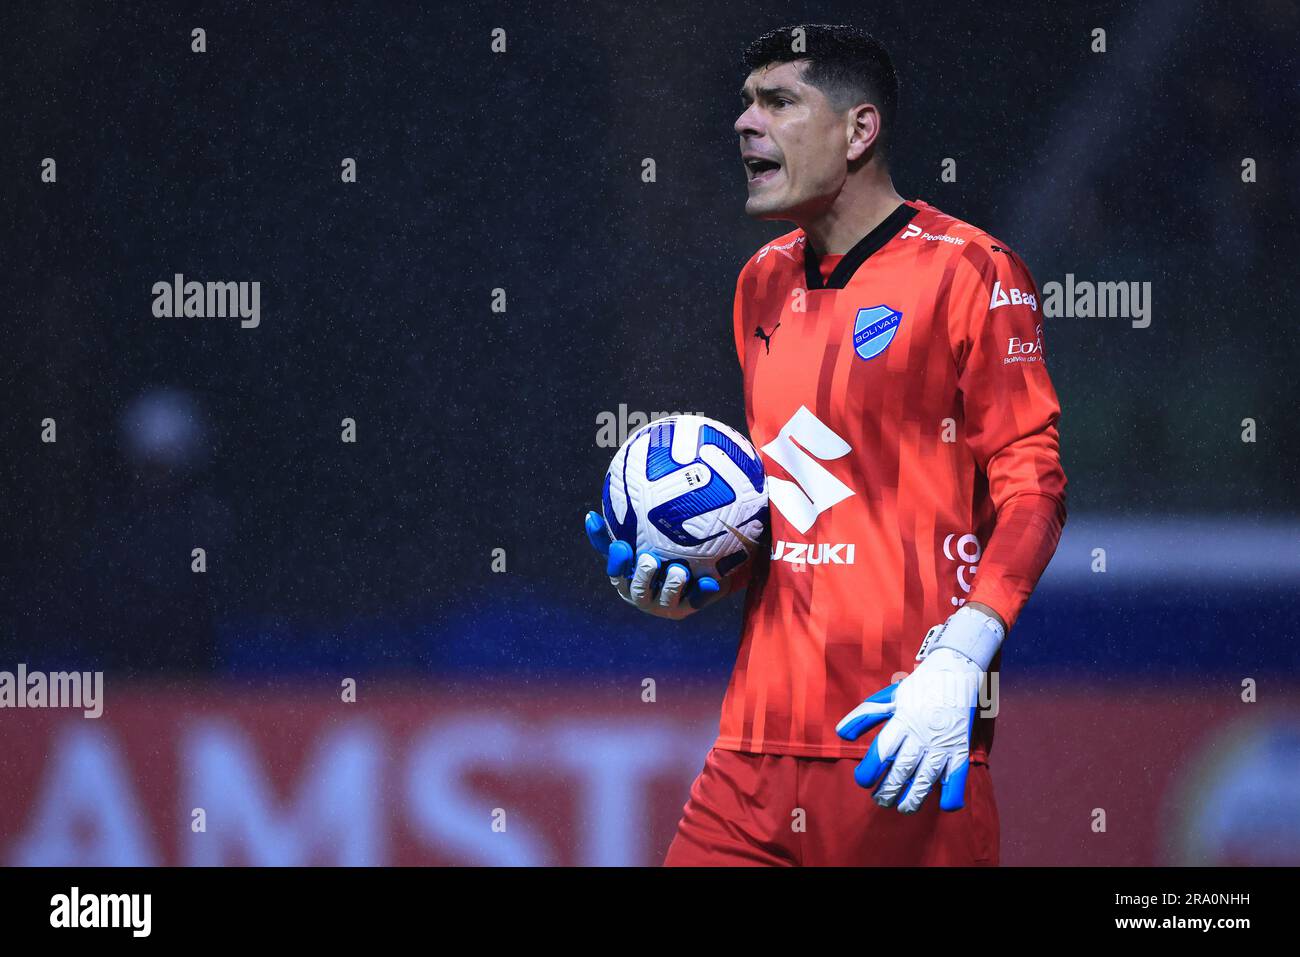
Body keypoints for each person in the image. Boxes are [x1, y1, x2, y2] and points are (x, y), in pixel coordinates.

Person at [586, 23, 1066, 866]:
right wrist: (696, 579)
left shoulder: (971, 272)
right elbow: (797, 508)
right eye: (744, 103)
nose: (744, 123)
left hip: (900, 744)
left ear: (859, 130)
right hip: (750, 758)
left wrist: (965, 652)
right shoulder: (760, 282)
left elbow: (1034, 489)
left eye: (777, 102)